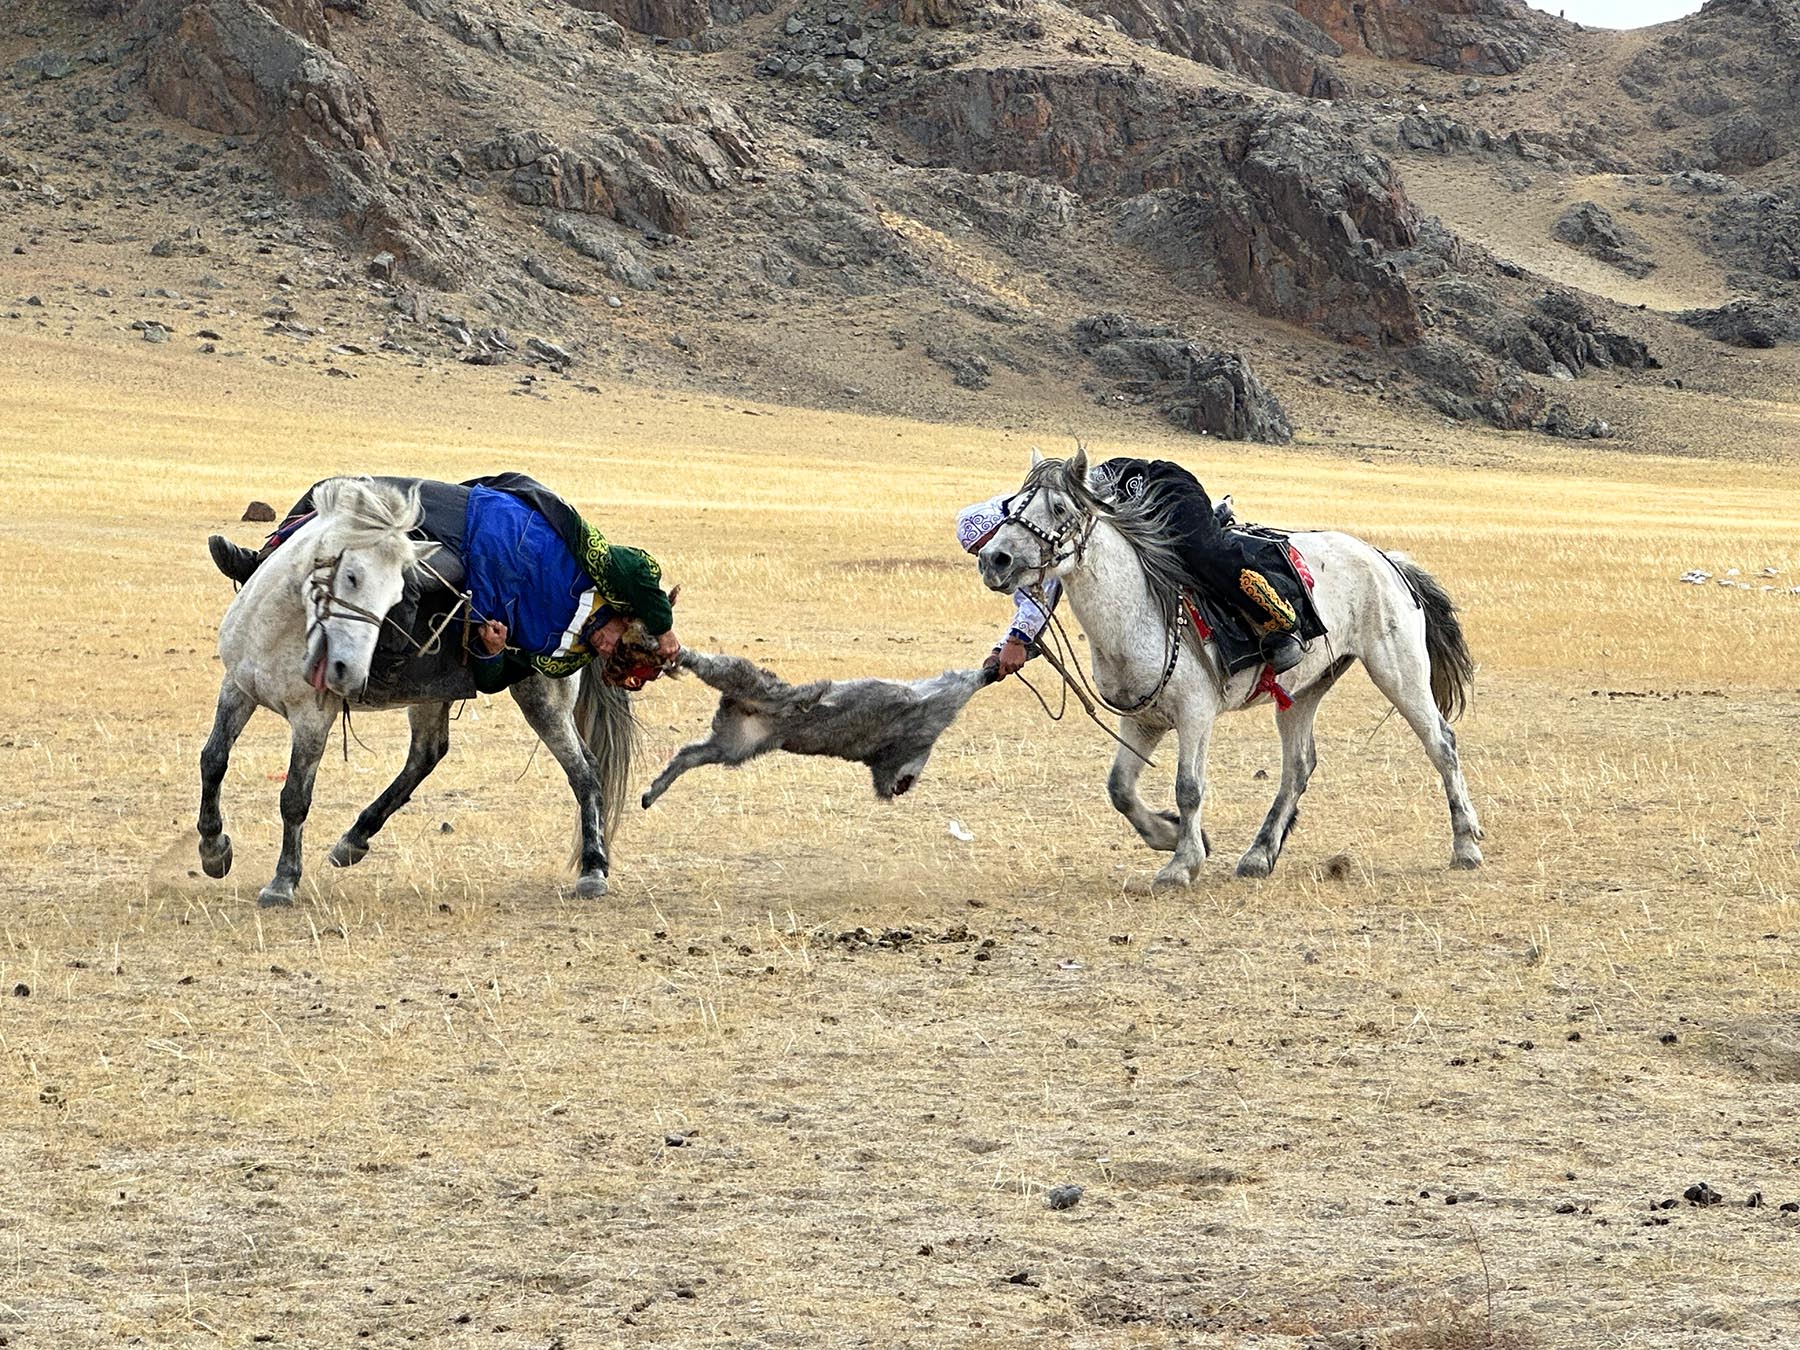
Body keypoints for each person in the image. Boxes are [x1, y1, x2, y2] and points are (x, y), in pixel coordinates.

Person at [208, 473, 680, 687]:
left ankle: (377, 665)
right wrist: (665, 629)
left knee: (407, 578)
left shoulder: (562, 660)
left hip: (468, 571)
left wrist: (492, 651)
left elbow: (496, 680)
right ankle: (259, 564)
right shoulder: (614, 581)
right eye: (617, 645)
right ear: (631, 623)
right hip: (477, 514)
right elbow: (643, 574)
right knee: (338, 489)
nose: (603, 650)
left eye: (608, 660)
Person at [957, 456, 1304, 676]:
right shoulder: (1032, 522)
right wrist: (1006, 644)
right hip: (1133, 516)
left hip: (1161, 488)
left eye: (989, 543)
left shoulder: (1038, 515)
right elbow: (1036, 593)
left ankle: (1279, 623)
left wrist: (1017, 640)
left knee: (1202, 553)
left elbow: (1039, 596)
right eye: (979, 553)